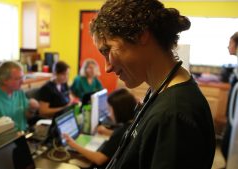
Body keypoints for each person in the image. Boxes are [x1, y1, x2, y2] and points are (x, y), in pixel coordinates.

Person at [90, 0, 216, 168]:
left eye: (107, 50)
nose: (107, 67)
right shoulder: (159, 91)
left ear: (141, 35)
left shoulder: (174, 115)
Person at [64, 88, 137, 166]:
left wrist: (73, 144)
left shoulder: (119, 133)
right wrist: (107, 132)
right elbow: (123, 135)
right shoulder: (132, 123)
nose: (109, 114)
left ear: (119, 110)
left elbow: (99, 159)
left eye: (110, 110)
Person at [0, 61, 39, 131]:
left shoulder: (19, 92)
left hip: (23, 134)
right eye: (18, 79)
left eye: (22, 78)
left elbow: (26, 117)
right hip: (5, 140)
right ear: (5, 80)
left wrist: (32, 109)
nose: (22, 82)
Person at [222, 32, 238, 160]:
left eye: (230, 43)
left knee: (227, 146)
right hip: (232, 114)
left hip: (235, 117)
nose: (228, 47)